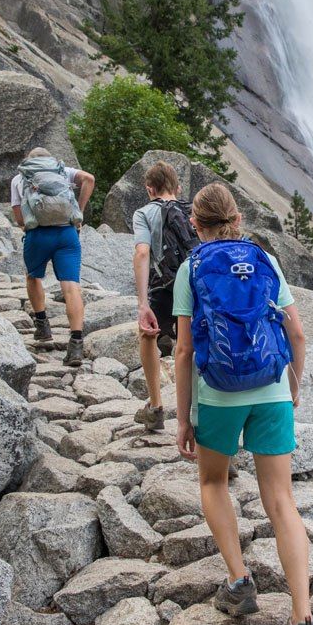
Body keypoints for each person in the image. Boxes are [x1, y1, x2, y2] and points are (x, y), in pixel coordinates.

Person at [173, 182, 313, 625]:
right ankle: (303, 618)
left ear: (195, 226)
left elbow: (183, 350)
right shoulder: (264, 259)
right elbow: (295, 331)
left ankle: (239, 583)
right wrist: (294, 382)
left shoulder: (190, 268)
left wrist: (182, 418)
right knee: (282, 500)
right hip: (272, 389)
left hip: (218, 393)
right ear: (237, 220)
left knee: (214, 482)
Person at [11, 147, 95, 367]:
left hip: (37, 235)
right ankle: (76, 343)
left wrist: (28, 223)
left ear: (29, 161)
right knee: (71, 286)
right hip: (67, 234)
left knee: (33, 277)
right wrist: (80, 212)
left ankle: (42, 326)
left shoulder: (20, 178)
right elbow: (89, 179)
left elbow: (19, 216)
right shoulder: (63, 171)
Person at [133, 161, 198, 431]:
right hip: (193, 286)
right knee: (193, 346)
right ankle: (198, 413)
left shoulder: (144, 213)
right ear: (178, 186)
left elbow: (142, 253)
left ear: (150, 189)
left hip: (164, 287)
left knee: (148, 335)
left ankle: (156, 406)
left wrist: (142, 303)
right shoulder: (193, 211)